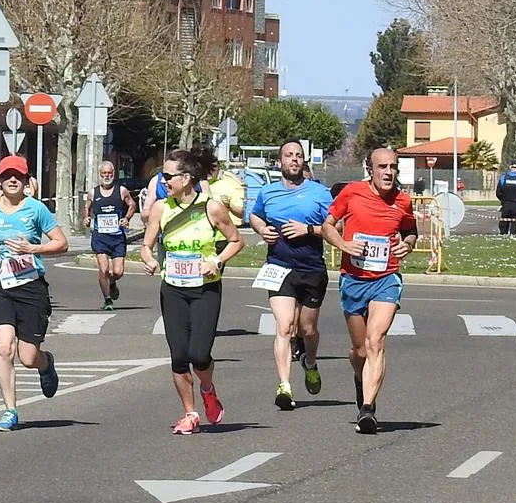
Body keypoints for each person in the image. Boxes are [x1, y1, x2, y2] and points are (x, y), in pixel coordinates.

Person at [140, 149, 244, 434]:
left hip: (205, 289)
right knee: (178, 356)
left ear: (186, 178)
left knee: (199, 355)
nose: (163, 181)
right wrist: (149, 259)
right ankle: (190, 412)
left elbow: (236, 241)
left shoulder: (211, 207)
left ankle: (208, 388)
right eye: (163, 176)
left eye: (168, 176)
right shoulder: (162, 208)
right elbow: (147, 245)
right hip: (172, 289)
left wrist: (217, 261)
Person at [0, 155, 67, 432]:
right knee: (3, 345)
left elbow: (61, 243)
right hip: (1, 285)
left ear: (25, 181)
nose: (12, 180)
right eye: (7, 176)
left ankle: (46, 364)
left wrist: (32, 249)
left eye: (18, 176)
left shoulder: (36, 209)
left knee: (28, 357)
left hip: (31, 286)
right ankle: (10, 410)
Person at [321, 147, 418, 435]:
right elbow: (327, 226)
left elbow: (410, 230)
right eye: (383, 167)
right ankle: (359, 375)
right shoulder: (351, 193)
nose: (389, 172)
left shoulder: (403, 200)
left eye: (394, 167)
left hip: (386, 278)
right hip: (353, 279)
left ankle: (368, 409)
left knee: (376, 340)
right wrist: (343, 245)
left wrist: (408, 244)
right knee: (360, 349)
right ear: (371, 170)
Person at [248, 140, 333, 411]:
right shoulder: (268, 192)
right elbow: (255, 216)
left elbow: (335, 229)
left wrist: (308, 230)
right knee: (284, 326)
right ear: (280, 161)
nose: (294, 160)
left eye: (298, 156)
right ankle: (284, 385)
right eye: (289, 155)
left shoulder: (320, 193)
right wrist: (262, 230)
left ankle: (309, 361)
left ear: (303, 161)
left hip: (312, 269)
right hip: (279, 266)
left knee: (307, 329)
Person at [83, 160, 136, 310]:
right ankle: (107, 300)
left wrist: (127, 218)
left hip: (117, 237)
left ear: (113, 174)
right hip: (100, 237)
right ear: (100, 175)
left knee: (118, 272)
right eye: (104, 173)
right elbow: (87, 206)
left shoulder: (122, 191)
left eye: (109, 173)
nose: (107, 176)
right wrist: (86, 218)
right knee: (103, 269)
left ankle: (112, 283)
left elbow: (132, 204)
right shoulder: (94, 192)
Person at [495, 161, 516, 236]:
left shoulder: (503, 178)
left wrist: (503, 201)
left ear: (510, 167)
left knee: (503, 224)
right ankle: (513, 238)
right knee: (514, 226)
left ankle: (503, 237)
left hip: (505, 205)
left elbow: (498, 193)